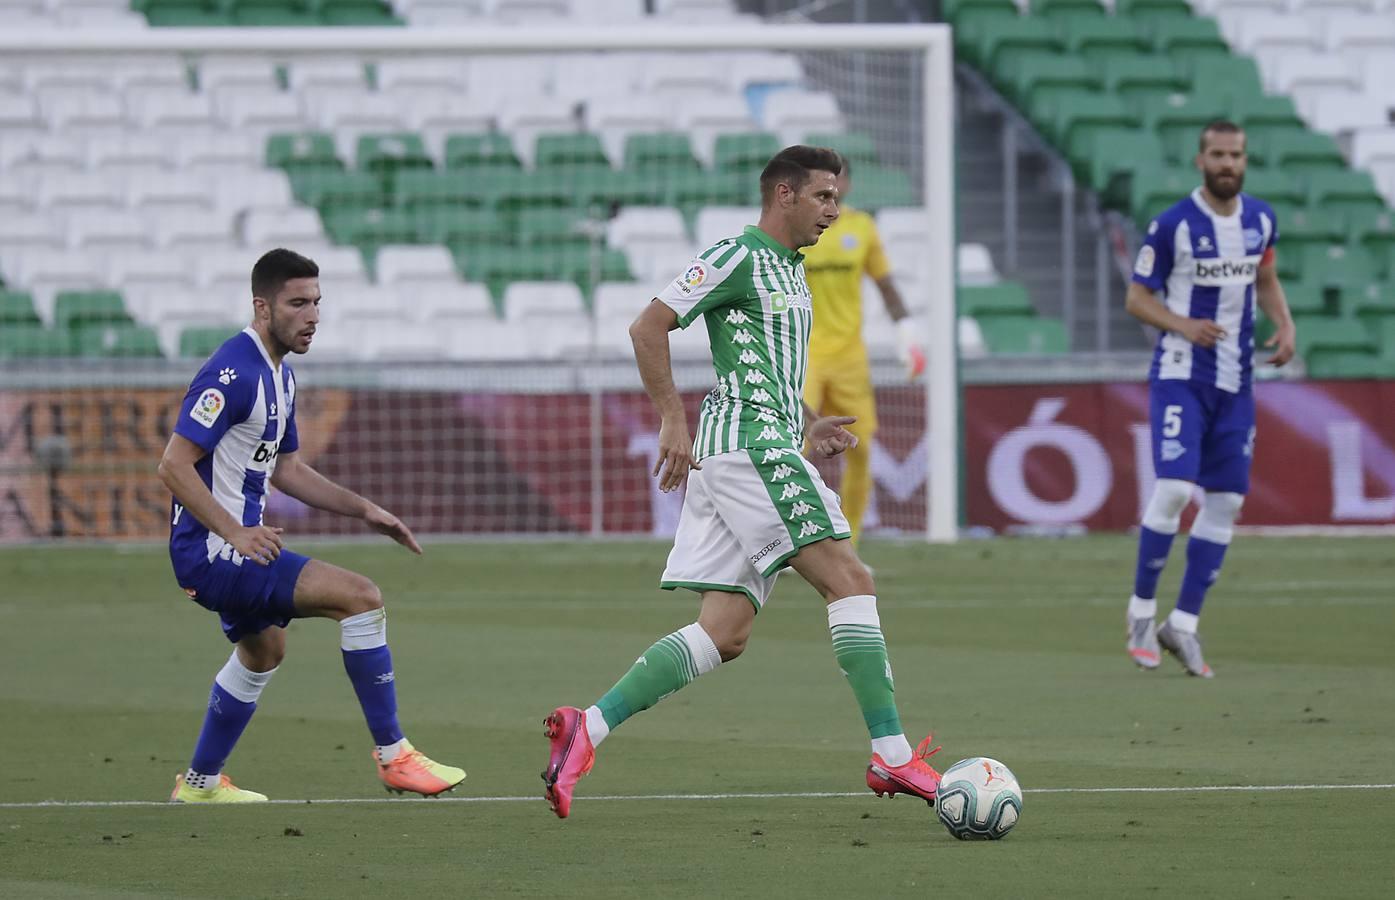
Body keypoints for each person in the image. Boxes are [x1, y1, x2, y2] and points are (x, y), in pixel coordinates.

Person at [540, 147, 941, 819]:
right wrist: (672, 417)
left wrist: (808, 427)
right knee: (851, 580)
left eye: (836, 198)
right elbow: (648, 326)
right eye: (821, 197)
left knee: (723, 633)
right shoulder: (736, 255)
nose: (833, 211)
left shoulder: (790, 269)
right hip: (747, 449)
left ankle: (589, 726)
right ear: (783, 194)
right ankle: (893, 757)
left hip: (762, 444)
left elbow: (769, 371)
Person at [157, 248, 464, 802]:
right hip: (215, 553)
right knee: (361, 597)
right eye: (297, 303)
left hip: (234, 551)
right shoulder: (232, 373)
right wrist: (235, 532)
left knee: (264, 651)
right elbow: (173, 465)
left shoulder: (282, 376)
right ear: (261, 307)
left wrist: (366, 510)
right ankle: (395, 756)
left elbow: (287, 469)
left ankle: (200, 784)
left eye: (317, 302)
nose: (312, 315)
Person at [1123, 121, 1296, 677]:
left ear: (1245, 160)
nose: (1228, 162)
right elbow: (1136, 297)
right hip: (1181, 374)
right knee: (1174, 487)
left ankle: (1185, 625)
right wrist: (1182, 324)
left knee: (1227, 503)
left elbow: (1264, 278)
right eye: (1218, 154)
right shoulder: (1174, 224)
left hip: (1236, 379)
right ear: (1200, 160)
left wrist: (1285, 325)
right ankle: (1141, 615)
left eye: (1236, 154)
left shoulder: (1261, 218)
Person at [802, 156, 923, 547]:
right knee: (795, 442)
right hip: (807, 352)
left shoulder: (862, 228)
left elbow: (886, 285)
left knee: (862, 447)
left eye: (837, 182)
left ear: (848, 185)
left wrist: (907, 333)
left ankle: (847, 545)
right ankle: (789, 537)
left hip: (851, 355)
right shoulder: (799, 230)